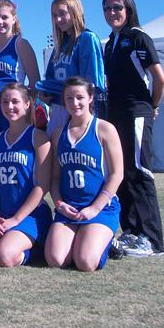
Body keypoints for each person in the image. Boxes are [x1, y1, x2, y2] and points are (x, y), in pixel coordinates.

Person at [102, 0, 164, 257]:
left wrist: (152, 106)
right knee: (123, 171)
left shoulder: (139, 38)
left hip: (136, 112)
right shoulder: (110, 44)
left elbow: (160, 79)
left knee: (140, 172)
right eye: (107, 8)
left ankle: (151, 240)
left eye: (117, 7)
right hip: (115, 114)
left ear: (128, 9)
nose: (112, 13)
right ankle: (131, 232)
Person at [45, 77, 123, 272]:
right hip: (69, 209)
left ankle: (107, 241)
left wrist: (95, 209)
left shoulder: (104, 129)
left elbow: (117, 174)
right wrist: (59, 204)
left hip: (100, 207)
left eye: (80, 97)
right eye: (69, 98)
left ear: (90, 98)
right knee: (56, 259)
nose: (75, 103)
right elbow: (55, 178)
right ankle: (82, 238)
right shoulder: (57, 134)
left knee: (85, 262)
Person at [0, 83, 52, 267]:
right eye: (5, 102)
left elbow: (42, 186)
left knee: (5, 256)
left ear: (27, 104)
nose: (10, 107)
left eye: (15, 101)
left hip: (29, 214)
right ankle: (14, 239)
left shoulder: (39, 138)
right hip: (3, 213)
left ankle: (35, 249)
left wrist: (16, 220)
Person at [40, 0, 106, 136]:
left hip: (77, 109)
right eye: (54, 15)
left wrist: (82, 109)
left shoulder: (87, 38)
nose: (58, 19)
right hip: (58, 108)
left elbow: (92, 82)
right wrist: (44, 93)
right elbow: (50, 77)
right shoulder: (60, 45)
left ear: (75, 11)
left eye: (62, 13)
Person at [0, 0, 40, 135]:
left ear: (14, 19)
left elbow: (35, 83)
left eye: (4, 17)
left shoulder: (21, 44)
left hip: (14, 109)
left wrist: (26, 110)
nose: (0, 22)